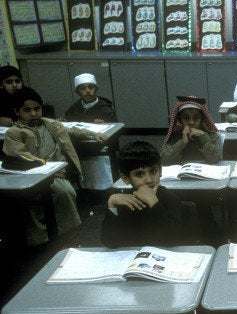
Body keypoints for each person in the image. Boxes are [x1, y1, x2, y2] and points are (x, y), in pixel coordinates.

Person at [2, 87, 108, 246]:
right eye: (27, 110)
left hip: (59, 173)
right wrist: (48, 170)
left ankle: (65, 234)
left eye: (37, 109)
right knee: (60, 192)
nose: (33, 114)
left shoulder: (51, 124)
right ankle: (43, 238)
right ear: (17, 112)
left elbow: (73, 130)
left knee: (65, 191)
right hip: (33, 175)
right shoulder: (14, 132)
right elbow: (21, 157)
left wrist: (93, 135)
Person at [101, 141, 184, 248]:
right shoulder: (124, 202)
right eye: (139, 174)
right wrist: (111, 205)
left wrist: (154, 203)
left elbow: (173, 240)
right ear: (125, 178)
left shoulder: (170, 199)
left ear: (160, 171)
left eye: (153, 171)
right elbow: (109, 242)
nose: (149, 180)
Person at [161, 96, 221, 165]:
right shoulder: (175, 135)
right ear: (180, 120)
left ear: (202, 119)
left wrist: (203, 136)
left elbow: (215, 159)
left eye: (196, 118)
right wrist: (182, 142)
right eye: (186, 118)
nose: (191, 122)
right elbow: (163, 160)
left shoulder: (211, 134)